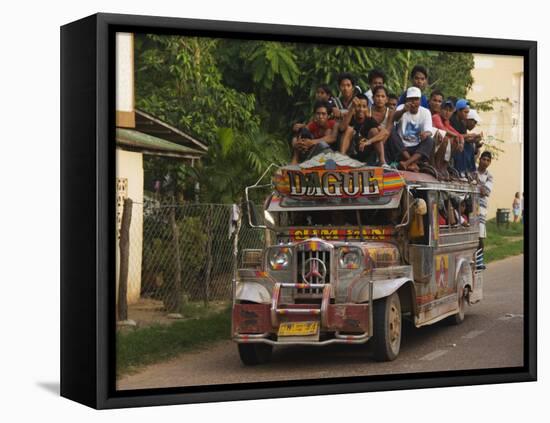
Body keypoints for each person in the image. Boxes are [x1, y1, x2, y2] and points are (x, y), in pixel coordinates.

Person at [385, 87, 435, 172]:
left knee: (429, 140)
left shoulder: (425, 112)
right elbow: (394, 119)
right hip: (402, 148)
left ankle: (407, 163)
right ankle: (412, 163)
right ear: (406, 100)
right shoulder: (401, 107)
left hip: (417, 150)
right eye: (410, 99)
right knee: (391, 132)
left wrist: (425, 134)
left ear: (420, 100)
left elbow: (429, 131)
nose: (413, 102)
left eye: (416, 99)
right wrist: (403, 111)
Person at [338, 94, 389, 166]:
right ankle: (341, 158)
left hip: (365, 154)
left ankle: (382, 162)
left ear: (367, 109)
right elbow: (341, 128)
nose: (361, 109)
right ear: (355, 107)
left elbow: (385, 132)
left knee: (374, 131)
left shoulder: (370, 120)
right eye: (358, 106)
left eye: (364, 107)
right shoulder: (350, 117)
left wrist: (369, 141)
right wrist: (351, 108)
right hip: (350, 154)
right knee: (349, 129)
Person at [451, 99, 480, 177]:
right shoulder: (452, 119)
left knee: (469, 146)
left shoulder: (462, 122)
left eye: (468, 112)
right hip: (452, 141)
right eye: (465, 112)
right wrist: (469, 135)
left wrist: (474, 139)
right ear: (458, 111)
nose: (467, 115)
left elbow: (464, 137)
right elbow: (455, 135)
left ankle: (470, 170)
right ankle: (460, 170)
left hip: (459, 140)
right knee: (462, 145)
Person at [474, 151, 493, 270]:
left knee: (480, 236)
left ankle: (479, 261)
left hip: (481, 208)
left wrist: (476, 183)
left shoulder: (489, 176)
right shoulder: (472, 168)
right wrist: (480, 186)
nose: (485, 162)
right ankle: (473, 260)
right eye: (483, 159)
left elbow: (486, 192)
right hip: (469, 205)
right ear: (479, 159)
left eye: (487, 160)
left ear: (490, 162)